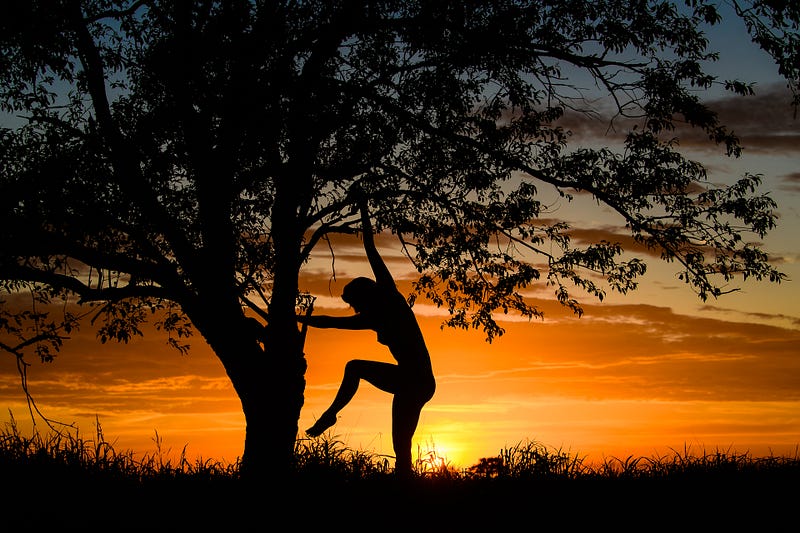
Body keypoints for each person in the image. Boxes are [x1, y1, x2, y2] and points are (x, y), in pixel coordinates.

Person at [298, 200, 436, 478]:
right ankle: (404, 484)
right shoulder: (372, 317)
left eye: (354, 303)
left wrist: (363, 208)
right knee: (401, 444)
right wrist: (298, 319)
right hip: (411, 380)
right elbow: (328, 323)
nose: (355, 310)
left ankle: (332, 414)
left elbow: (370, 249)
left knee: (356, 369)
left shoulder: (388, 298)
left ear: (364, 296)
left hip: (417, 380)